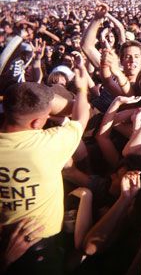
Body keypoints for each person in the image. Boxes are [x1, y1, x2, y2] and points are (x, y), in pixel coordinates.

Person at [0, 62, 90, 274]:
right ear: (37, 123)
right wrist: (82, 87)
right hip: (39, 249)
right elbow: (81, 116)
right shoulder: (49, 145)